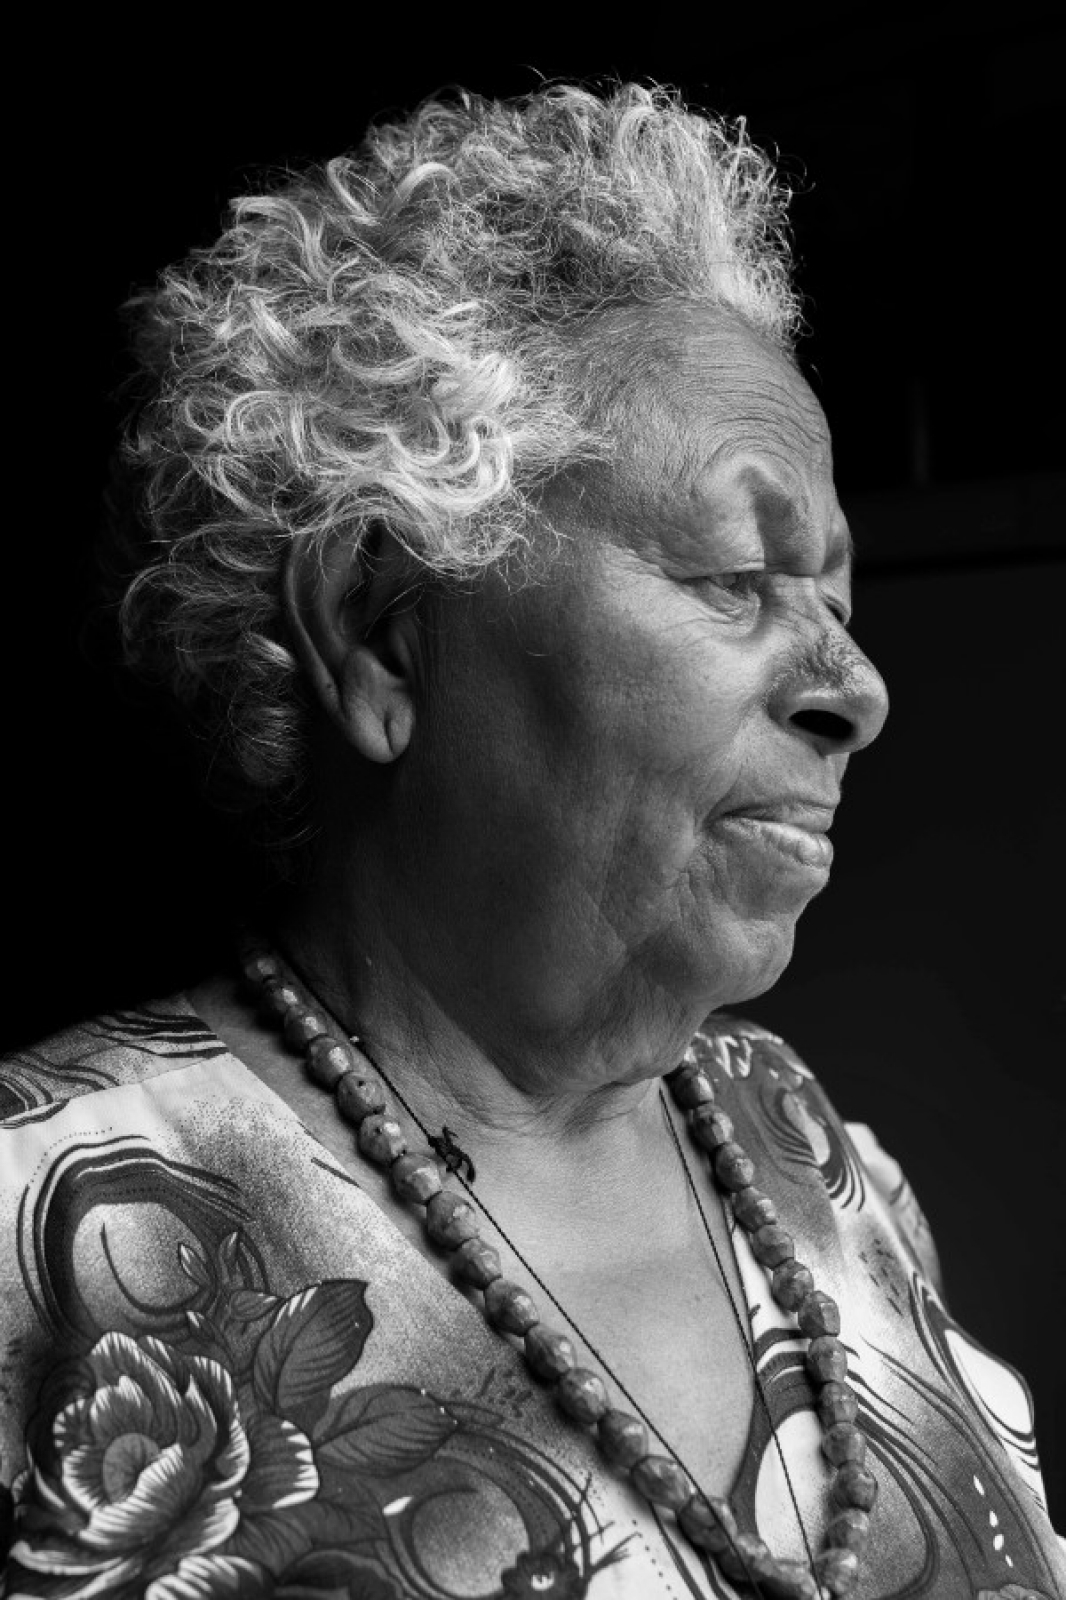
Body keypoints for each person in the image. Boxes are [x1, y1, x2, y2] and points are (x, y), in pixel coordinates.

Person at [0, 81, 1061, 1600]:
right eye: (736, 576)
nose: (856, 690)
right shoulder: (35, 1211)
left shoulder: (818, 1160)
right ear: (381, 636)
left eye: (834, 597)